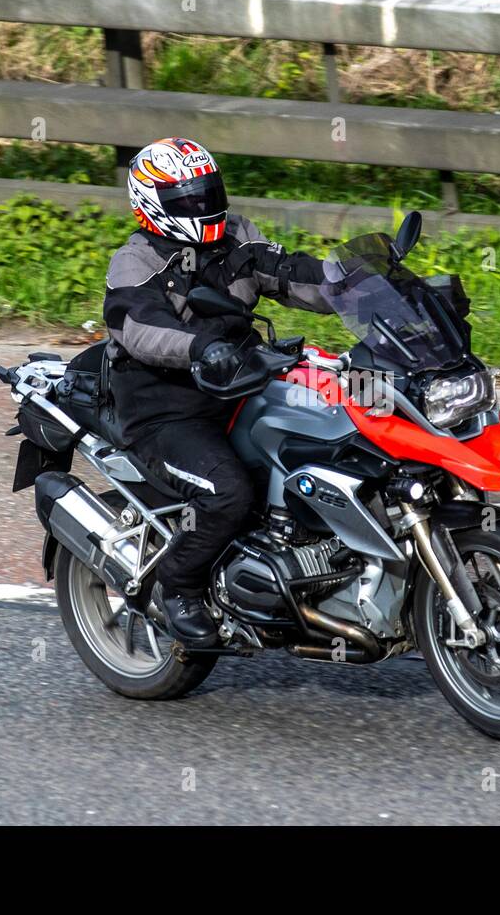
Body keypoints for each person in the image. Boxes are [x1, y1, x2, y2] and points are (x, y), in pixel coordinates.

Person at [103, 137, 331, 647]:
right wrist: (201, 347)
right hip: (166, 409)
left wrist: (376, 286)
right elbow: (141, 327)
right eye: (186, 198)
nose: (202, 206)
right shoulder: (135, 263)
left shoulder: (236, 237)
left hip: (240, 382)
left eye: (207, 192)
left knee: (336, 436)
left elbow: (294, 274)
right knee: (228, 493)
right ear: (152, 204)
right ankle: (178, 585)